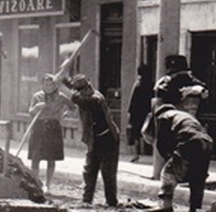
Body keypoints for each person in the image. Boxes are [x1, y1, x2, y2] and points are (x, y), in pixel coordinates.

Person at [144, 99, 213, 212]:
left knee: (168, 173)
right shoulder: (184, 115)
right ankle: (195, 208)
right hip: (207, 142)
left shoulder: (163, 116)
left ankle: (166, 206)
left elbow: (162, 143)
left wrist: (170, 160)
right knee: (197, 178)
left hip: (190, 141)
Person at [63, 73, 119, 207]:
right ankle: (86, 200)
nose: (83, 92)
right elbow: (73, 90)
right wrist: (63, 79)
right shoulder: (86, 95)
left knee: (108, 173)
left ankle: (111, 203)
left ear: (88, 87)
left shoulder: (95, 99)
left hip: (107, 139)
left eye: (84, 90)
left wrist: (60, 85)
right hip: (94, 139)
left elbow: (77, 99)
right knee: (89, 170)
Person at [28, 73, 76, 193]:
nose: (48, 86)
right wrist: (37, 107)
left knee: (51, 158)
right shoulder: (37, 96)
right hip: (39, 127)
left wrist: (63, 115)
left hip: (53, 127)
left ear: (55, 85)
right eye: (46, 84)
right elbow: (30, 112)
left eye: (51, 84)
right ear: (42, 84)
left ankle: (48, 185)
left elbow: (72, 107)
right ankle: (35, 184)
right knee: (36, 157)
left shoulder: (60, 97)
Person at [127, 64, 154, 162]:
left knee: (134, 133)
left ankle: (135, 154)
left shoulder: (138, 84)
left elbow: (133, 99)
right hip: (147, 111)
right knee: (149, 131)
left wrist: (129, 112)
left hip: (136, 112)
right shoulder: (151, 84)